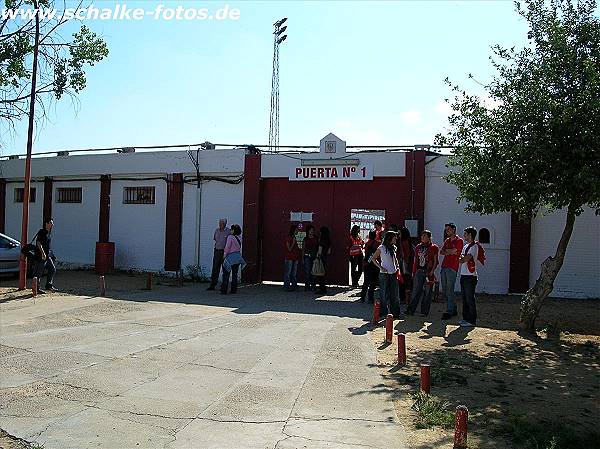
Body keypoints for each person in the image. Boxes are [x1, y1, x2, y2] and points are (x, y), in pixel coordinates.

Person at [407, 230, 439, 316]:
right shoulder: (418, 247)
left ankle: (424, 311)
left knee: (427, 292)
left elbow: (436, 260)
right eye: (422, 236)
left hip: (428, 272)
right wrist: (414, 272)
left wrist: (432, 270)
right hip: (419, 270)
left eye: (425, 236)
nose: (423, 238)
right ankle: (411, 310)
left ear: (429, 237)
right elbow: (415, 260)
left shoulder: (434, 247)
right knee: (416, 291)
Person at [371, 230, 401, 318]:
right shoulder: (381, 247)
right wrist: (381, 267)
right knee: (383, 294)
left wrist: (397, 267)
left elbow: (395, 259)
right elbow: (373, 258)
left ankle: (395, 313)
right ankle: (383, 312)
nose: (396, 238)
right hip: (384, 274)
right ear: (390, 238)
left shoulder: (394, 247)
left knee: (395, 294)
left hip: (393, 273)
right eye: (394, 237)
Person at [459, 226, 483, 327]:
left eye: (465, 234)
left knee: (470, 298)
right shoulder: (466, 246)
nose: (464, 236)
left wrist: (462, 258)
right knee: (464, 298)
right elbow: (461, 257)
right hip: (463, 274)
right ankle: (465, 318)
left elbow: (464, 259)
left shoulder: (474, 246)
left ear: (470, 235)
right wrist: (462, 258)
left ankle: (472, 320)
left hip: (470, 276)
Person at [439, 223, 464, 320]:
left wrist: (448, 251)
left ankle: (449, 311)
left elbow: (456, 251)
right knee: (445, 289)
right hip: (444, 266)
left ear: (454, 229)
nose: (447, 231)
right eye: (446, 230)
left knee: (450, 289)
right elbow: (442, 251)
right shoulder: (447, 240)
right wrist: (450, 251)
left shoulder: (459, 241)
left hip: (452, 267)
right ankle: (453, 308)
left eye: (448, 229)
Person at [34, 218, 57, 294]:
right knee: (39, 273)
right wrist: (43, 253)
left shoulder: (48, 233)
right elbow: (38, 243)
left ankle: (48, 285)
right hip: (41, 256)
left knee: (52, 269)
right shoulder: (42, 232)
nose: (52, 225)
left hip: (48, 256)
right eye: (51, 223)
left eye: (52, 223)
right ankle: (36, 288)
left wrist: (51, 254)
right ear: (46, 224)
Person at [220, 224, 243, 294]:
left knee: (226, 274)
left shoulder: (230, 237)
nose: (230, 230)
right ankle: (234, 290)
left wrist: (224, 256)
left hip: (230, 257)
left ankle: (224, 290)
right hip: (237, 257)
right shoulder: (239, 237)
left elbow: (227, 248)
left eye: (231, 229)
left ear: (233, 230)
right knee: (235, 274)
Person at [207, 218, 230, 290]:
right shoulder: (216, 230)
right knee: (215, 268)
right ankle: (212, 285)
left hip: (224, 252)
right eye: (219, 223)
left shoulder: (228, 231)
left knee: (224, 268)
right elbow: (215, 240)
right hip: (217, 251)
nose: (220, 225)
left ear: (225, 224)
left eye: (222, 223)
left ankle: (224, 285)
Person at [359, 230, 379, 303]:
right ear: (375, 236)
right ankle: (370, 298)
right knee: (373, 283)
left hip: (367, 264)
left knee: (366, 282)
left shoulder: (367, 244)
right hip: (374, 265)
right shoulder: (377, 244)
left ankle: (362, 298)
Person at [283, 224, 301, 291]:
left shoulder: (294, 237)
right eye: (296, 230)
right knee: (288, 272)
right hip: (289, 258)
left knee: (294, 273)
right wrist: (293, 243)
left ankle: (294, 285)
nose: (297, 231)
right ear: (293, 230)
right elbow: (289, 249)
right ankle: (287, 286)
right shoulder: (288, 237)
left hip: (295, 257)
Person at [399, 227, 414, 304]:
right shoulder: (408, 241)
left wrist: (405, 263)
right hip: (406, 264)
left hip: (404, 264)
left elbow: (406, 254)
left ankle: (404, 298)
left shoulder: (404, 242)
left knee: (404, 281)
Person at [315, 226, 331, 294]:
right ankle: (323, 289)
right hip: (326, 258)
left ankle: (321, 289)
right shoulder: (329, 241)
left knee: (319, 274)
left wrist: (317, 257)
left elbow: (319, 251)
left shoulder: (321, 241)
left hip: (321, 258)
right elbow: (329, 252)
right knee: (323, 274)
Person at [303, 225, 318, 291]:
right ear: (308, 231)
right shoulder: (305, 239)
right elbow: (303, 249)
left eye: (312, 230)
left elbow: (318, 248)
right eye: (310, 230)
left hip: (314, 257)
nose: (312, 231)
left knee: (313, 272)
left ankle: (313, 285)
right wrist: (302, 258)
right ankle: (307, 285)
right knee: (307, 272)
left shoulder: (316, 238)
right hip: (307, 256)